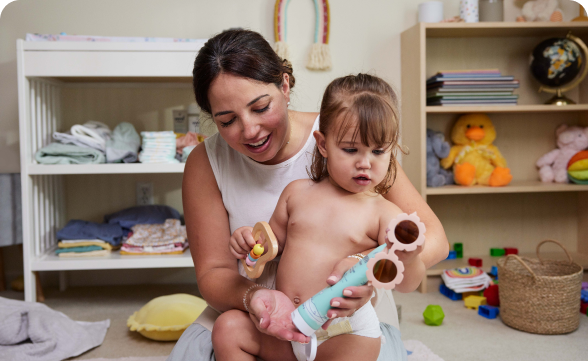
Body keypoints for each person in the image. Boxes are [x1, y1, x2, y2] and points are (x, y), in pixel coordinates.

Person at [168, 29, 449, 361]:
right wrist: (255, 290)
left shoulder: (348, 135)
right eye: (227, 120)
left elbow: (432, 240)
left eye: (260, 108)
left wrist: (365, 268)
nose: (250, 130)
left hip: (342, 323)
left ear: (285, 86)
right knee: (212, 341)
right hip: (254, 312)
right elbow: (219, 271)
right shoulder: (212, 164)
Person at [214, 73, 425, 361]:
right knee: (227, 329)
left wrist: (409, 256)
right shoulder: (297, 194)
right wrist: (248, 242)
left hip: (345, 334)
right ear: (323, 145)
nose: (365, 163)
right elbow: (268, 246)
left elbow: (406, 283)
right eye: (350, 150)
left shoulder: (384, 213)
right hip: (286, 325)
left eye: (378, 151)